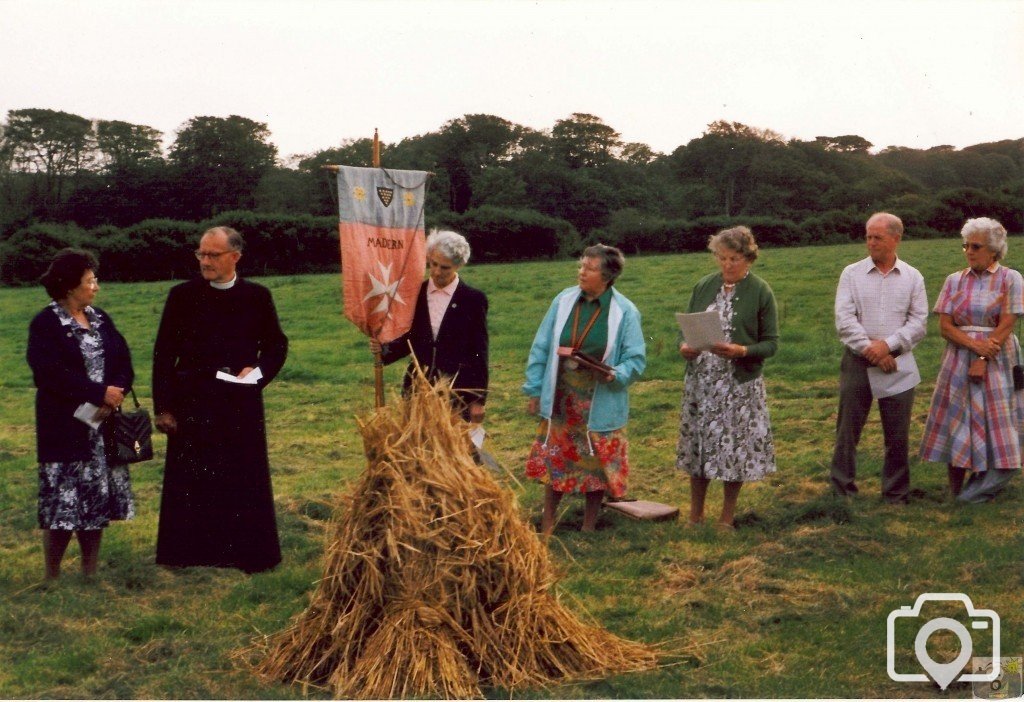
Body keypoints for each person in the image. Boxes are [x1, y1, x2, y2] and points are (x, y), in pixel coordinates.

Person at [153, 226, 288, 573]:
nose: (205, 261)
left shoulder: (257, 296)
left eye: (213, 255)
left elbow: (275, 346)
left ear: (235, 257)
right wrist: (164, 407)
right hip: (193, 402)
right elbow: (164, 354)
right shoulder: (181, 296)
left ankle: (248, 554)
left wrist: (256, 372)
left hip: (239, 403)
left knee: (243, 477)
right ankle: (187, 554)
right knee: (192, 478)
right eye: (201, 254)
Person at [27, 249, 135, 579]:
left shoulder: (101, 318)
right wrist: (96, 392)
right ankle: (52, 574)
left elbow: (123, 361)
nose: (96, 287)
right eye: (90, 281)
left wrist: (116, 392)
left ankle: (90, 570)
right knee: (63, 499)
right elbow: (47, 372)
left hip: (102, 425)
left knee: (96, 497)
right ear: (71, 285)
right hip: (64, 425)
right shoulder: (46, 323)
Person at [524, 244, 646, 535]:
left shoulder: (625, 311)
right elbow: (541, 345)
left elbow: (636, 359)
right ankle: (548, 522)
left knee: (595, 463)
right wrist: (534, 389)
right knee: (557, 457)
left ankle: (589, 526)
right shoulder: (563, 301)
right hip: (563, 395)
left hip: (599, 398)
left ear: (606, 276)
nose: (581, 272)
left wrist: (614, 375)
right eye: (581, 265)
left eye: (589, 268)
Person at [676, 226, 779, 529]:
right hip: (702, 382)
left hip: (738, 384)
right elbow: (684, 330)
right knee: (700, 446)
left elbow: (771, 343)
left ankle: (726, 517)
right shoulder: (703, 286)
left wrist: (742, 350)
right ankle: (695, 515)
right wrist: (684, 347)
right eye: (721, 258)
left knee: (733, 450)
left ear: (748, 258)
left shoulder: (761, 291)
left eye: (734, 258)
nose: (727, 265)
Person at [920, 218, 1024, 502]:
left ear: (994, 250)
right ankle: (957, 491)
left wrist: (982, 355)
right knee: (958, 418)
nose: (969, 251)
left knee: (997, 418)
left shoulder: (1010, 278)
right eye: (965, 245)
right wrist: (972, 346)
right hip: (957, 358)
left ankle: (986, 482)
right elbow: (945, 326)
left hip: (999, 358)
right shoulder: (954, 280)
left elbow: (1006, 323)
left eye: (976, 246)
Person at [831, 212, 928, 503]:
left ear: (896, 239)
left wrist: (888, 346)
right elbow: (844, 319)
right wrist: (872, 351)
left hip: (898, 362)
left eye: (878, 237)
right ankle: (841, 491)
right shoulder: (851, 274)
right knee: (847, 431)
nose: (871, 242)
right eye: (868, 237)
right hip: (858, 361)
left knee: (898, 434)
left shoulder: (913, 277)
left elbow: (919, 322)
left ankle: (896, 493)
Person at [370, 229, 488, 421]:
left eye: (445, 267)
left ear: (458, 266)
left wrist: (478, 400)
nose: (436, 272)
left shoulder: (473, 299)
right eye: (433, 264)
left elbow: (479, 351)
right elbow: (411, 336)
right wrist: (384, 350)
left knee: (451, 449)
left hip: (456, 391)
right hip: (417, 388)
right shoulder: (416, 293)